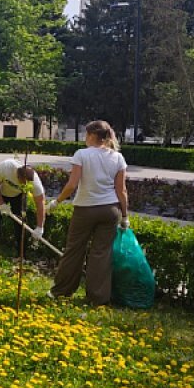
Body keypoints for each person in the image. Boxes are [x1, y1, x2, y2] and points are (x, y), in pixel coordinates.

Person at [49, 120, 130, 306]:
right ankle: (98, 297)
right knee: (101, 253)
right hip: (110, 209)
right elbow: (122, 190)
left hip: (85, 208)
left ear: (93, 135)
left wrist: (57, 201)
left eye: (86, 134)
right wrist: (125, 216)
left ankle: (61, 291)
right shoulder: (118, 158)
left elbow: (72, 185)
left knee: (74, 250)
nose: (85, 138)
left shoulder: (82, 155)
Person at [0, 158, 46, 257]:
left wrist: (40, 228)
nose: (24, 185)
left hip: (18, 196)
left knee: (20, 223)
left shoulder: (34, 182)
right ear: (17, 176)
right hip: (1, 192)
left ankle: (21, 254)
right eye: (22, 182)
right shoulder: (6, 167)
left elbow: (40, 203)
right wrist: (1, 203)